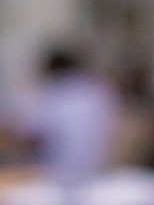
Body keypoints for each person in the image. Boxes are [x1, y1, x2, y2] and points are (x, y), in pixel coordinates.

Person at [17, 47, 118, 188]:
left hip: (55, 177)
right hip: (97, 175)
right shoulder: (97, 92)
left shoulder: (53, 93)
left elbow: (32, 138)